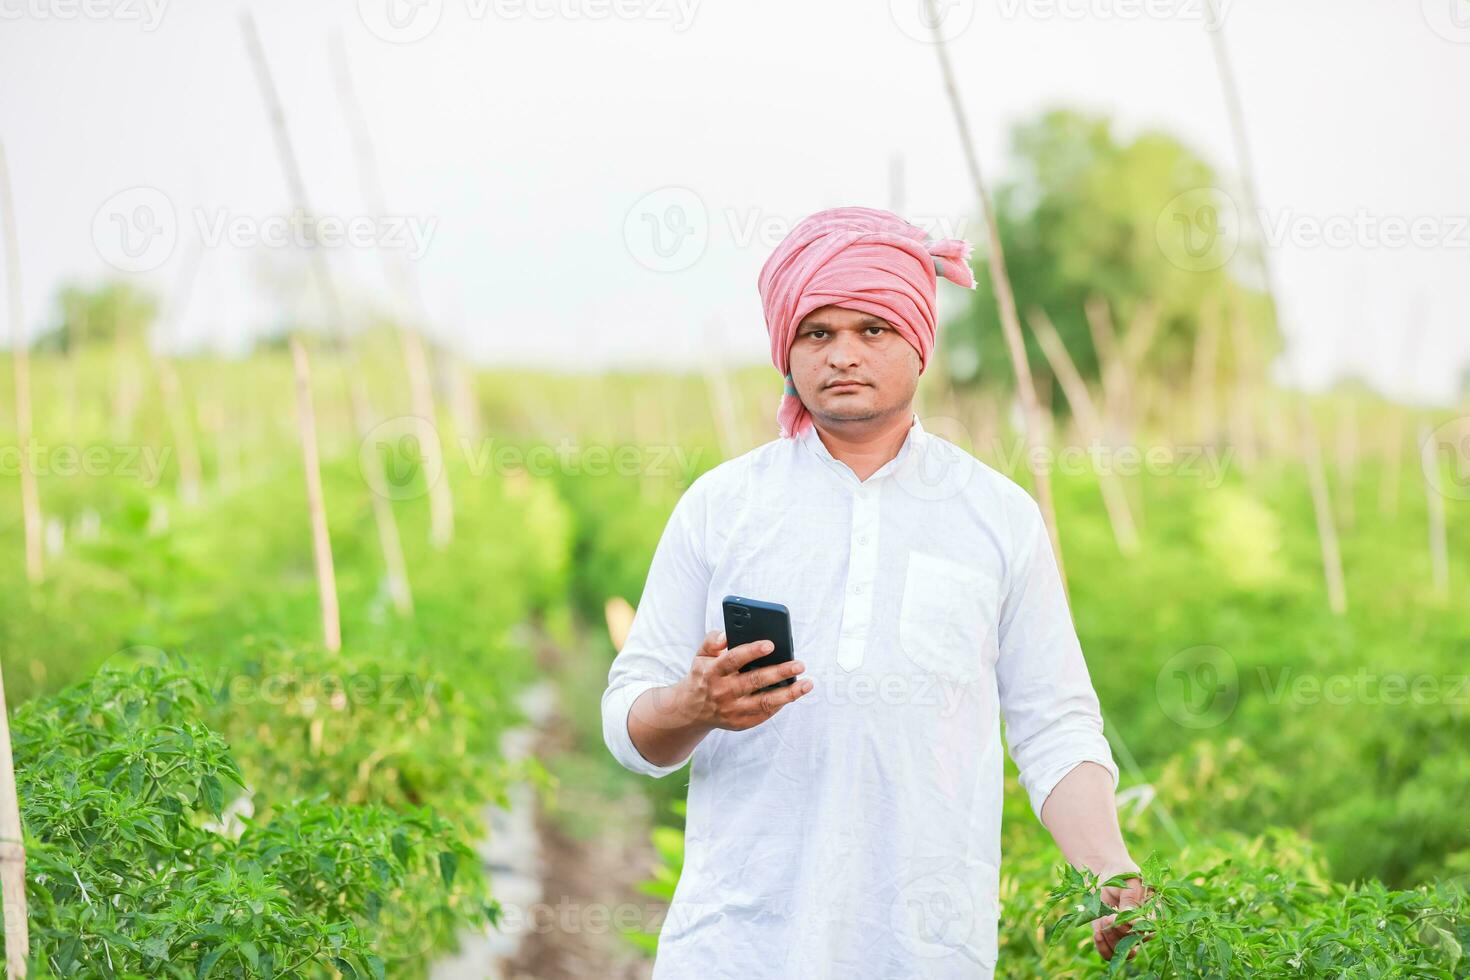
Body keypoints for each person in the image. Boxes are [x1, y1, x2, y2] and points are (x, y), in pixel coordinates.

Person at [601, 206, 1147, 978]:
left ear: (918, 341)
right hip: (740, 944)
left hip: (922, 950)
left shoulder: (994, 517)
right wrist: (693, 706)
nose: (842, 354)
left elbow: (1053, 725)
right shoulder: (724, 507)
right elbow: (627, 725)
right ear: (787, 349)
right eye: (817, 333)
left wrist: (1110, 871)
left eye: (873, 329)